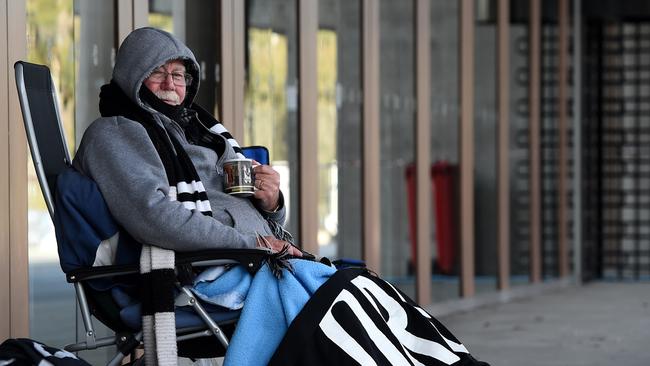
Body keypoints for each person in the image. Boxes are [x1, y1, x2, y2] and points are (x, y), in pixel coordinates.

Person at [73, 27, 301, 257]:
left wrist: (272, 204)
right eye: (157, 73)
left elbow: (266, 219)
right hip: (213, 270)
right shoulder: (115, 133)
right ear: (133, 76)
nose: (170, 84)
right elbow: (153, 217)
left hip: (261, 258)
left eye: (178, 75)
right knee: (332, 286)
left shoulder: (200, 128)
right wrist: (251, 244)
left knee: (335, 278)